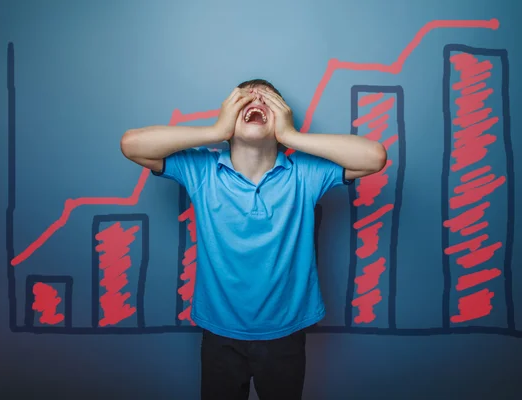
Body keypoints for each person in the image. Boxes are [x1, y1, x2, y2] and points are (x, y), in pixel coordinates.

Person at [120, 79, 386, 400]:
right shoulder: (202, 170)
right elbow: (131, 144)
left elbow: (374, 156)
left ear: (281, 118)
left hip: (286, 332)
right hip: (220, 333)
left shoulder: (303, 173)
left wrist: (291, 137)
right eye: (243, 101)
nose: (255, 103)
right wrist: (216, 130)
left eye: (268, 101)